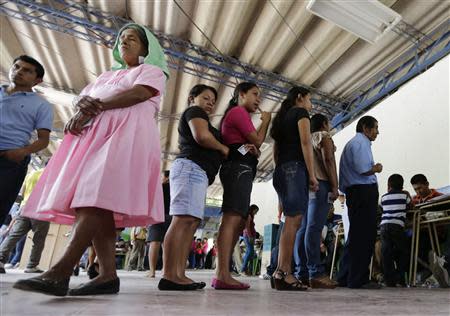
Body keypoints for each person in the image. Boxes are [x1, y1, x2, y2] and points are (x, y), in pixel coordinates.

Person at [13, 23, 169, 297]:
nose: (125, 42)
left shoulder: (151, 71)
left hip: (126, 137)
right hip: (95, 138)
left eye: (132, 38)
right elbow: (83, 98)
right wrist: (80, 109)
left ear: (147, 48)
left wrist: (95, 106)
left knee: (94, 198)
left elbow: (139, 93)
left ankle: (61, 271)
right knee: (97, 202)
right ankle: (107, 276)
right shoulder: (107, 75)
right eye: (122, 39)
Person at [159, 84, 229, 291]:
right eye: (206, 98)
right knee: (182, 220)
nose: (210, 103)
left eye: (213, 101)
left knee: (190, 221)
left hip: (198, 173)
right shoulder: (194, 112)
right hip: (190, 168)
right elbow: (202, 136)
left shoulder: (205, 119)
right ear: (192, 98)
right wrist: (223, 148)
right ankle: (170, 274)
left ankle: (179, 274)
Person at [214, 82, 270, 290]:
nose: (258, 99)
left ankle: (224, 273)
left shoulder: (237, 114)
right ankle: (222, 274)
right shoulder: (238, 112)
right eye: (255, 94)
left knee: (236, 220)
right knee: (232, 218)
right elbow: (257, 139)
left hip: (241, 167)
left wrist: (253, 150)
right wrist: (266, 122)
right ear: (241, 94)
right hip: (238, 169)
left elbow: (252, 146)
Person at [271, 86, 318, 291]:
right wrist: (312, 174)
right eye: (309, 99)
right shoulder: (300, 112)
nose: (311, 104)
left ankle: (280, 272)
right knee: (293, 221)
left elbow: (275, 151)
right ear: (300, 98)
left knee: (289, 222)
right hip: (294, 169)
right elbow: (306, 143)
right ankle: (286, 272)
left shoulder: (280, 119)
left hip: (281, 170)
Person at [0, 55, 53, 226]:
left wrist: (21, 152)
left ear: (37, 81)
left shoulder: (41, 106)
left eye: (27, 71)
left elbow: (44, 140)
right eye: (17, 67)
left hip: (9, 161)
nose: (19, 72)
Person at [337, 116, 382, 289]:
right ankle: (359, 279)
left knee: (355, 236)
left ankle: (345, 277)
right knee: (365, 237)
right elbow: (364, 169)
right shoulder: (360, 143)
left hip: (355, 193)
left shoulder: (354, 143)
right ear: (365, 127)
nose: (378, 132)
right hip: (363, 193)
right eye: (375, 128)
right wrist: (376, 168)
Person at [296, 113, 338, 288]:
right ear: (324, 124)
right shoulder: (324, 136)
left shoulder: (305, 140)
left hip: (307, 186)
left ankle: (302, 272)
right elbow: (328, 160)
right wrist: (335, 186)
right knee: (314, 229)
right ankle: (316, 272)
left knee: (304, 229)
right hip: (321, 185)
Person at [0, 168, 49, 274]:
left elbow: (22, 193)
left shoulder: (31, 174)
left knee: (14, 235)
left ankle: (0, 260)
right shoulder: (50, 175)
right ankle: (32, 265)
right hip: (39, 208)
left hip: (24, 207)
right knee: (39, 239)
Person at [379, 174, 412, 287]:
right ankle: (400, 278)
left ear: (389, 185)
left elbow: (381, 208)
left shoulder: (383, 197)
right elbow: (410, 206)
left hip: (384, 226)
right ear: (402, 186)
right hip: (397, 226)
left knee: (386, 253)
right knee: (402, 251)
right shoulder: (404, 196)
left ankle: (389, 280)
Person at [147, 170, 171, 278]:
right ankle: (165, 269)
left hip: (158, 216)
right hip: (171, 217)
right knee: (166, 245)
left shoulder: (159, 188)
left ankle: (152, 271)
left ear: (166, 177)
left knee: (154, 243)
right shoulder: (176, 187)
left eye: (162, 176)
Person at [241, 204, 259, 275]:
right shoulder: (249, 216)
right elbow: (247, 227)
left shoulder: (251, 216)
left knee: (250, 252)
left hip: (250, 235)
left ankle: (246, 269)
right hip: (248, 236)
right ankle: (243, 268)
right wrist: (250, 236)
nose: (256, 212)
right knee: (250, 252)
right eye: (256, 211)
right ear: (253, 209)